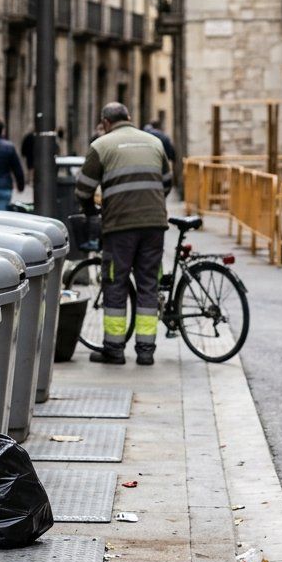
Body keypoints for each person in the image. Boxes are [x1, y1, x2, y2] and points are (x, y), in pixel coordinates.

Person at [74, 102, 173, 366]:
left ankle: (114, 350)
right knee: (148, 284)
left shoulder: (101, 146)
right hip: (154, 225)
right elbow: (167, 184)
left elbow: (83, 189)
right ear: (129, 117)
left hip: (119, 227)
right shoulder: (154, 143)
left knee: (115, 284)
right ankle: (146, 351)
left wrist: (92, 212)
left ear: (106, 122)